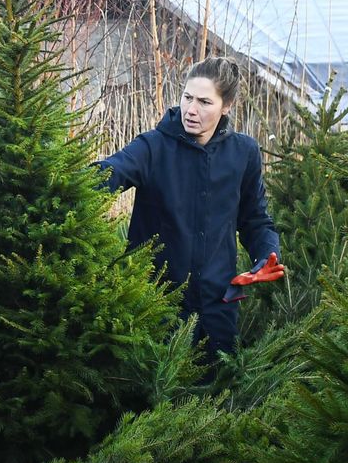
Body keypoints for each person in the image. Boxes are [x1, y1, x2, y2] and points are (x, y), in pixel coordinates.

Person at [100, 56, 283, 359]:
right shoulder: (152, 147)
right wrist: (64, 182)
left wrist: (266, 256)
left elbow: (255, 221)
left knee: (217, 396)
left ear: (226, 106)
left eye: (204, 102)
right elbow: (109, 173)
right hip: (157, 305)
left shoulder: (243, 153)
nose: (191, 110)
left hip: (219, 306)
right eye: (187, 97)